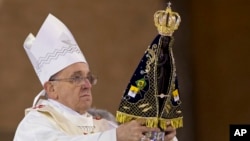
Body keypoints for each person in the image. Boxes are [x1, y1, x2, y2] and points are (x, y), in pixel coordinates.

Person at [13, 13, 177, 141]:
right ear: (51, 88)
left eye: (88, 77)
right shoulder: (34, 125)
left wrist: (162, 136)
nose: (87, 85)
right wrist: (116, 137)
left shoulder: (104, 126)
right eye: (76, 78)